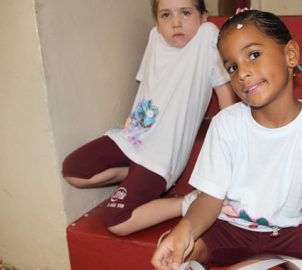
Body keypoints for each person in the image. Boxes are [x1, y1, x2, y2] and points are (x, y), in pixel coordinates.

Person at [151, 10, 302, 270]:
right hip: (230, 228)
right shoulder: (225, 124)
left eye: (253, 55)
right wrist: (183, 231)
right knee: (181, 253)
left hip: (294, 231)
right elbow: (209, 200)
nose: (242, 73)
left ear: (290, 54)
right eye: (232, 67)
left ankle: (274, 260)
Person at [62, 0, 236, 236]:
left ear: (204, 16)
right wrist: (129, 128)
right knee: (73, 170)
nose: (176, 22)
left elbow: (224, 93)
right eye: (165, 15)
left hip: (161, 154)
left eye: (185, 13)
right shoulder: (156, 37)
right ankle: (131, 172)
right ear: (156, 21)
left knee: (117, 221)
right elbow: (148, 86)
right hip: (133, 137)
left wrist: (231, 146)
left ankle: (189, 202)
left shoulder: (207, 36)